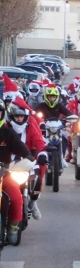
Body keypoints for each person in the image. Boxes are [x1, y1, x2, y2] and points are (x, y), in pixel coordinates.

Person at [0, 103, 35, 244]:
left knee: (16, 198)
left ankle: (13, 227)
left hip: (4, 174)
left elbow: (19, 146)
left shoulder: (7, 133)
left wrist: (28, 155)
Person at [7, 99, 46, 220]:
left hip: (28, 160)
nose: (19, 119)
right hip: (7, 161)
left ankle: (33, 202)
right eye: (17, 116)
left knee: (37, 179)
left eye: (22, 116)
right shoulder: (5, 128)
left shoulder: (31, 128)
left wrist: (42, 154)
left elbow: (39, 142)